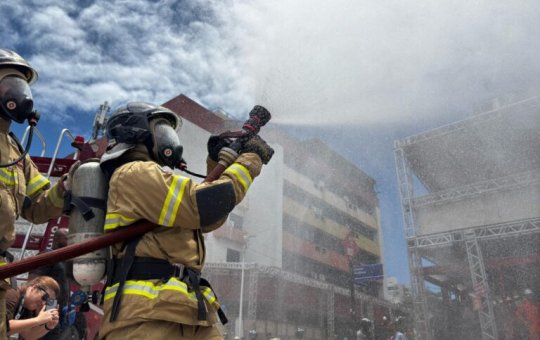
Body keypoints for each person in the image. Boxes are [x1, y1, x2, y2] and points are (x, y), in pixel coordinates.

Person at [97, 102, 274, 339]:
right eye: (161, 130)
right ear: (136, 133)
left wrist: (216, 163)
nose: (169, 139)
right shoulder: (133, 172)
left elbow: (206, 220)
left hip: (186, 308)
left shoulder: (155, 179)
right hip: (146, 316)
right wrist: (250, 161)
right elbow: (206, 205)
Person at [0, 48, 70, 338]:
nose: (20, 93)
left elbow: (39, 206)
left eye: (22, 85)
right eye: (10, 84)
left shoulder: (17, 152)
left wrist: (65, 187)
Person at [29, 228, 85, 339]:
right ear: (57, 239)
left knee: (55, 334)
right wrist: (43, 304)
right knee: (47, 335)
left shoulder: (64, 260)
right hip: (48, 304)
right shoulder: (47, 255)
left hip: (59, 307)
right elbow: (33, 280)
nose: (71, 242)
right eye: (68, 238)